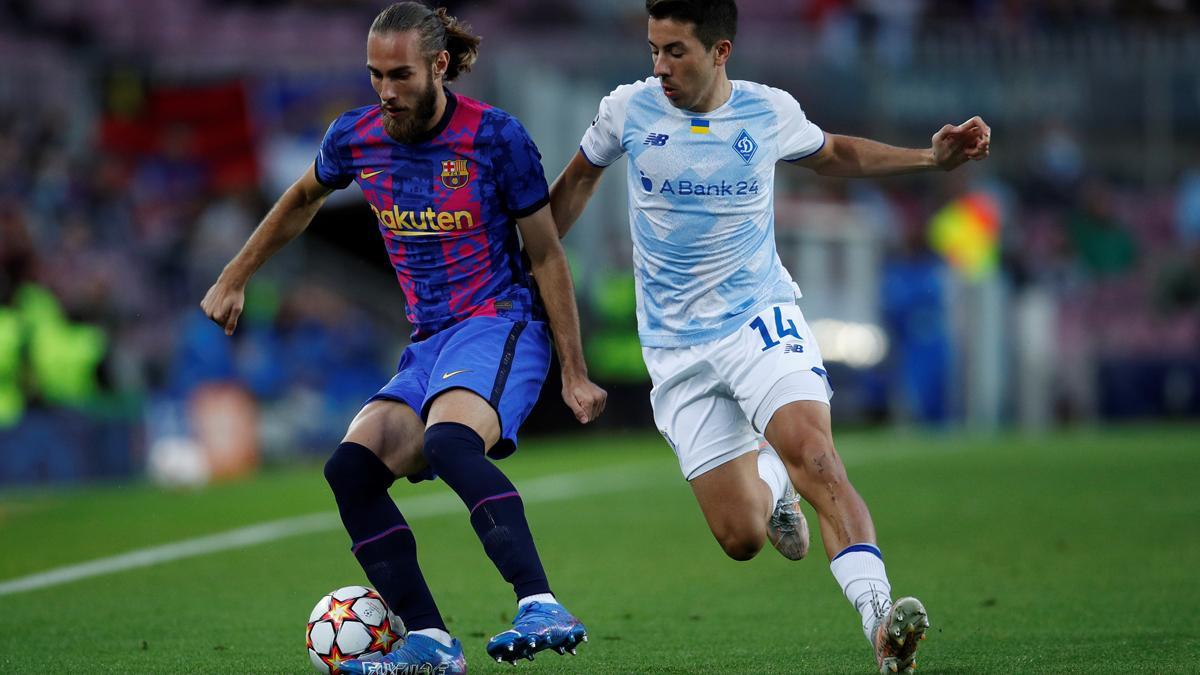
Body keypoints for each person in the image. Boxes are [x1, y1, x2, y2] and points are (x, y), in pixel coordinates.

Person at [548, 1, 990, 673]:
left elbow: (835, 152)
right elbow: (576, 183)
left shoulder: (766, 110)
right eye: (653, 50)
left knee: (818, 457)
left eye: (676, 52)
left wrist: (928, 158)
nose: (660, 67)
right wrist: (528, 263)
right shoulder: (626, 111)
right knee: (742, 536)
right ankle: (771, 485)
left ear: (720, 52)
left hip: (759, 317)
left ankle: (880, 619)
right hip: (676, 351)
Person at [201, 3, 606, 672]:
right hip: (427, 342)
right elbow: (303, 197)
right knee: (350, 471)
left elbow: (546, 253)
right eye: (375, 75)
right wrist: (236, 274)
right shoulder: (356, 136)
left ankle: (540, 601)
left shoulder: (495, 137)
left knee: (449, 442)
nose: (386, 91)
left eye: (400, 75)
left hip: (499, 321)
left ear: (439, 66)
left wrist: (573, 368)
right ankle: (430, 641)